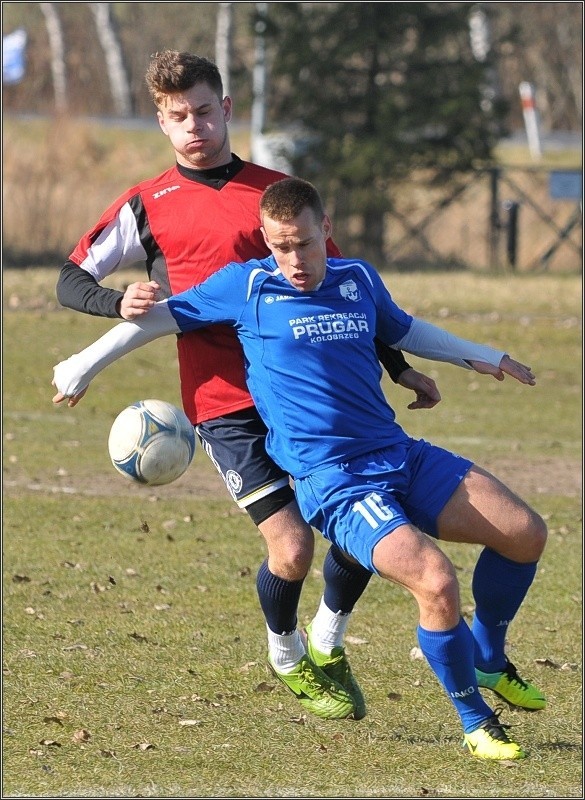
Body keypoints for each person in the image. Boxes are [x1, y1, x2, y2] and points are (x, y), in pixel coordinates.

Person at [53, 177, 548, 760]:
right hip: (333, 480)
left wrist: (486, 357)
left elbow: (405, 329)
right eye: (281, 246)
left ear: (326, 232)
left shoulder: (356, 277)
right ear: (265, 240)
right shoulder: (246, 286)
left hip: (398, 453)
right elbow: (159, 320)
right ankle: (476, 722)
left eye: (305, 245)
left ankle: (487, 657)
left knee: (525, 534)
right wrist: (83, 363)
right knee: (435, 581)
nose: (295, 260)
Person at [54, 50, 442, 721]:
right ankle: (287, 653)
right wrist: (114, 303)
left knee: (362, 526)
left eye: (204, 110)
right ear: (162, 121)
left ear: (225, 109)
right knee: (291, 548)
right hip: (223, 404)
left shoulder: (278, 195)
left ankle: (329, 640)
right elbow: (70, 280)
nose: (194, 126)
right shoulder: (147, 204)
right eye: (178, 117)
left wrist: (397, 365)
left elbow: (344, 290)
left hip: (310, 396)